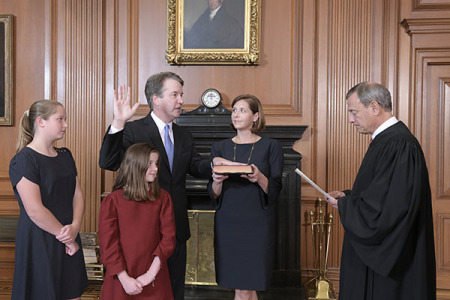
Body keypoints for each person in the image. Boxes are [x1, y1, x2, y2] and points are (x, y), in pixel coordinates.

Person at [99, 72, 212, 300]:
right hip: (144, 234)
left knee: (173, 293)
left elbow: (196, 165)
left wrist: (217, 165)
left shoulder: (184, 134)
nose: (181, 100)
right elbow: (108, 162)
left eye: (181, 94)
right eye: (175, 95)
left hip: (175, 231)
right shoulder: (134, 130)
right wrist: (119, 121)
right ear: (156, 99)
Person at [325, 82, 436, 299]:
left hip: (396, 260)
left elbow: (391, 207)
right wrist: (349, 196)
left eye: (354, 112)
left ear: (374, 107)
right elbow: (381, 190)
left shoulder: (399, 144)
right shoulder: (388, 141)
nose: (350, 119)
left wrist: (346, 205)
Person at [9, 100, 88, 299]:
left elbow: (77, 194)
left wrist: (75, 227)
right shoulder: (24, 160)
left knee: (72, 293)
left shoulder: (65, 155)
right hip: (39, 239)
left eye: (65, 119)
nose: (66, 124)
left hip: (68, 233)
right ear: (40, 122)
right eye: (60, 119)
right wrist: (67, 237)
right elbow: (35, 210)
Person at [209, 94, 283, 300]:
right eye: (234, 110)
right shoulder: (220, 148)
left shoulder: (271, 147)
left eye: (242, 110)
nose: (236, 114)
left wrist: (259, 177)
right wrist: (216, 180)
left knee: (247, 286)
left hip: (257, 223)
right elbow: (213, 194)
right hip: (228, 223)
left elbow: (276, 188)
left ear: (255, 116)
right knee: (243, 288)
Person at [98, 143, 176, 300]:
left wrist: (150, 275)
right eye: (149, 164)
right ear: (135, 166)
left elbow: (168, 240)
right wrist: (125, 279)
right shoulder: (113, 201)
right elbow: (108, 245)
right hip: (120, 278)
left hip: (155, 278)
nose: (155, 169)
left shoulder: (163, 198)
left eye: (156, 163)